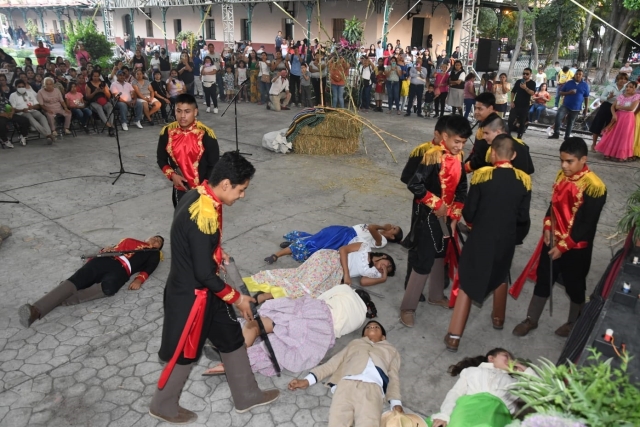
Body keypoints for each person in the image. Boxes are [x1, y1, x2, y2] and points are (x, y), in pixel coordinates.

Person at [152, 152, 279, 423]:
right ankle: (163, 405)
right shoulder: (203, 215)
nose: (242, 195)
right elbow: (202, 273)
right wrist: (238, 298)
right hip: (193, 296)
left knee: (231, 338)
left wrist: (215, 254)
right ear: (224, 184)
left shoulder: (200, 194)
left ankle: (247, 395)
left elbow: (198, 251)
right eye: (241, 190)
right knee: (186, 351)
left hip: (207, 292)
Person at [512, 137, 606, 338]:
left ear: (583, 160)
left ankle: (574, 322)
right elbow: (552, 206)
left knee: (575, 286)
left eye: (569, 161)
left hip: (576, 247)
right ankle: (532, 319)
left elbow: (586, 225)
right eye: (561, 160)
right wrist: (547, 226)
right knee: (544, 280)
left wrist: (563, 247)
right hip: (552, 241)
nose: (564, 165)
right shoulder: (561, 177)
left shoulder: (594, 186)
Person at [444, 136, 531, 352]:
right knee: (500, 274)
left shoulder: (482, 175)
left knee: (469, 280)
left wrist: (474, 224)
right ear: (513, 156)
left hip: (481, 237)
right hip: (506, 239)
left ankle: (454, 337)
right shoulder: (524, 180)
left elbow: (470, 211)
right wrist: (512, 235)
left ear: (492, 154)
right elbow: (523, 218)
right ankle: (498, 319)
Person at [400, 115, 472, 327]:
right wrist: (435, 203)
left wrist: (454, 215)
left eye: (463, 143)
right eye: (456, 142)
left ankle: (435, 294)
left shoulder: (458, 157)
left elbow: (461, 188)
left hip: (447, 219)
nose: (459, 147)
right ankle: (408, 307)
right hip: (427, 217)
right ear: (445, 137)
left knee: (440, 255)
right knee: (423, 260)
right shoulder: (432, 155)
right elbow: (414, 183)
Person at [19, 236, 163, 328]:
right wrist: (105, 249)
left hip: (121, 269)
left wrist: (139, 280)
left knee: (109, 288)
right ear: (148, 237)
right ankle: (35, 311)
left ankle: (59, 299)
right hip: (105, 259)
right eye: (155, 238)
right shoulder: (129, 240)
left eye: (159, 242)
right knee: (76, 280)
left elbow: (150, 268)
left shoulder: (153, 253)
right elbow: (112, 248)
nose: (155, 241)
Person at [288, 320, 403, 427]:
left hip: (373, 390)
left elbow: (394, 377)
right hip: (345, 386)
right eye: (368, 327)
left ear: (383, 337)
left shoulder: (391, 350)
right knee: (337, 421)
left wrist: (395, 402)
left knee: (369, 422)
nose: (372, 326)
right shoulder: (355, 343)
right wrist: (308, 380)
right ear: (363, 336)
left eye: (376, 327)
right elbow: (333, 363)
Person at [247, 241, 396, 302]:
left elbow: (363, 282)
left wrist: (382, 277)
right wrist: (346, 273)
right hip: (330, 259)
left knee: (312, 294)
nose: (384, 268)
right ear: (384, 255)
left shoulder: (374, 273)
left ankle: (267, 296)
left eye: (387, 270)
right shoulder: (365, 247)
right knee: (305, 285)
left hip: (335, 275)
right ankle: (263, 297)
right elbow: (343, 250)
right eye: (387, 264)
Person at [429, 348, 533, 427]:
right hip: (468, 409)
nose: (512, 361)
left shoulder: (515, 383)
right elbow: (455, 393)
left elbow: (542, 392)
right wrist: (444, 415)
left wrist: (526, 371)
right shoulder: (472, 371)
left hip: (497, 417)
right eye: (506, 356)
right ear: (491, 358)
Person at [156, 93, 219, 207]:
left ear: (195, 112)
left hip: (204, 191)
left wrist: (204, 188)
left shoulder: (206, 134)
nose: (182, 116)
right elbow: (161, 159)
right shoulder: (167, 132)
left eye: (187, 111)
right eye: (178, 111)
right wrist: (172, 175)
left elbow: (214, 165)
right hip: (180, 189)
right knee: (181, 222)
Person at [264, 223, 402, 264]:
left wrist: (383, 227)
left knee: (315, 245)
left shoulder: (382, 241)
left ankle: (277, 255)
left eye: (394, 229)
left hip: (345, 239)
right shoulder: (379, 231)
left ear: (393, 237)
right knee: (318, 238)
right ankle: (296, 244)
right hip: (344, 230)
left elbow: (371, 228)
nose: (391, 227)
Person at [471, 113, 535, 175]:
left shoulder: (492, 150)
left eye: (486, 133)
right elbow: (530, 170)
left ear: (498, 132)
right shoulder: (522, 145)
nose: (483, 137)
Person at [594, 81, 640, 162]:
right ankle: (608, 153)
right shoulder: (621, 96)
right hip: (618, 116)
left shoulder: (636, 97)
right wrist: (614, 114)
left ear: (635, 89)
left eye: (631, 87)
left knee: (624, 136)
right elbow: (613, 106)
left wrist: (619, 107)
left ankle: (621, 155)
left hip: (628, 118)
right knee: (614, 134)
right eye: (627, 86)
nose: (628, 88)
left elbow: (631, 108)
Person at [590, 72, 628, 151]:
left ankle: (604, 145)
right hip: (606, 106)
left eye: (625, 79)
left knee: (610, 127)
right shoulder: (610, 86)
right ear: (617, 79)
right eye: (621, 79)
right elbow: (602, 98)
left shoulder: (626, 88)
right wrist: (609, 97)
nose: (623, 81)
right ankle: (594, 144)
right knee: (598, 124)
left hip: (617, 108)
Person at [548, 69, 590, 140]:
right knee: (558, 117)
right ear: (574, 75)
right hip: (566, 105)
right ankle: (556, 133)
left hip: (576, 107)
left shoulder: (585, 85)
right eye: (577, 74)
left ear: (582, 76)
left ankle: (567, 136)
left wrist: (586, 108)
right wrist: (569, 93)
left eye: (580, 74)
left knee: (571, 122)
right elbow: (561, 92)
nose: (578, 75)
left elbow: (586, 97)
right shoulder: (569, 83)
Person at [462, 92, 496, 174]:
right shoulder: (487, 120)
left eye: (480, 109)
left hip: (488, 171)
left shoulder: (491, 126)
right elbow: (477, 150)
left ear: (490, 108)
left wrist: (462, 170)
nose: (476, 112)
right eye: (475, 108)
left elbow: (480, 157)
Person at [508, 67, 536, 139]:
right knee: (511, 119)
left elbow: (532, 93)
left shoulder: (532, 83)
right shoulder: (518, 82)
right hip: (516, 104)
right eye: (524, 73)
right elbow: (513, 91)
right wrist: (511, 101)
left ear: (530, 75)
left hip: (525, 105)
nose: (525, 75)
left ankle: (519, 136)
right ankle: (508, 133)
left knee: (522, 121)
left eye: (527, 74)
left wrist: (525, 88)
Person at [86, 70, 115, 136]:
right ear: (92, 76)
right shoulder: (88, 84)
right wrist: (95, 92)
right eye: (94, 76)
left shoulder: (103, 83)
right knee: (99, 108)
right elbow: (88, 97)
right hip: (93, 102)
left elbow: (109, 96)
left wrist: (104, 91)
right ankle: (109, 126)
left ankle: (111, 124)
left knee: (110, 106)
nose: (96, 78)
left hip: (103, 100)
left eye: (97, 76)